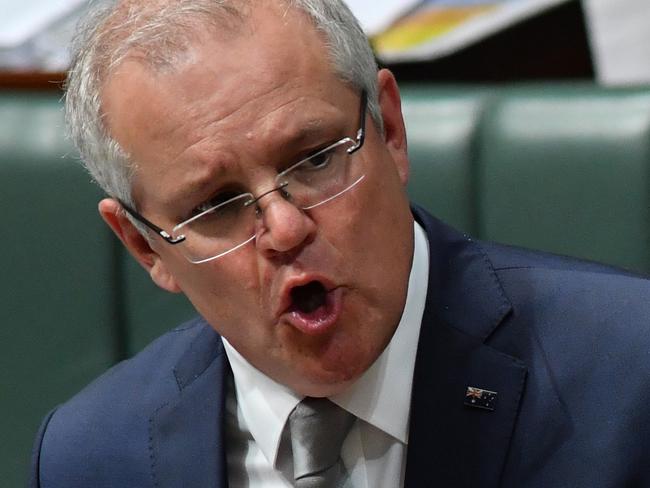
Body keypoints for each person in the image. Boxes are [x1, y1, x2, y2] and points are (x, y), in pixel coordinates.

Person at [30, 0, 650, 487]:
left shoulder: (630, 370)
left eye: (316, 159)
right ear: (145, 248)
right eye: (217, 204)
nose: (286, 228)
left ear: (392, 129)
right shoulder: (91, 457)